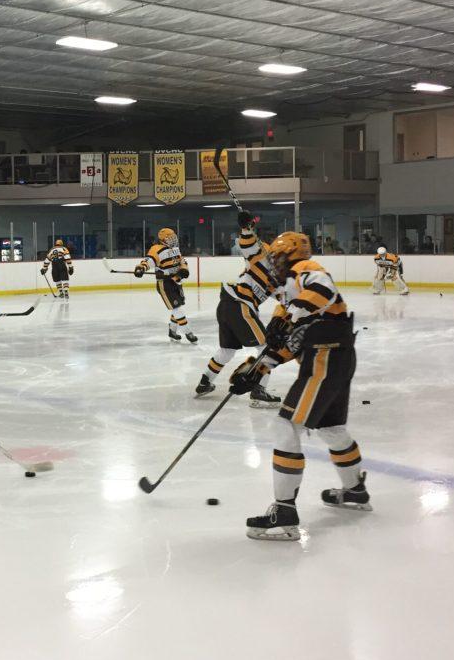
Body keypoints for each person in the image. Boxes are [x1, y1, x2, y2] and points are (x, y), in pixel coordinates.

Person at [225, 231, 369, 541]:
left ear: (290, 255)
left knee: (285, 427)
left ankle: (284, 513)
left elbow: (323, 291)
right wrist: (256, 371)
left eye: (276, 258)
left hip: (326, 357)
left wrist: (290, 315)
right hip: (333, 357)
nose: (273, 264)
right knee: (332, 429)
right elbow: (288, 343)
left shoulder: (305, 270)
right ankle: (355, 490)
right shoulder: (285, 296)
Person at [193, 212, 282, 408]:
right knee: (267, 348)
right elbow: (247, 246)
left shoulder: (278, 279)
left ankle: (205, 381)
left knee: (227, 350)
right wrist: (246, 228)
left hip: (226, 306)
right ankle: (258, 390)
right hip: (240, 305)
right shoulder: (262, 256)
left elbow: (286, 298)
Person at [134, 226, 197, 344]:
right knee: (177, 308)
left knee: (177, 307)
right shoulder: (156, 249)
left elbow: (182, 261)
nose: (173, 240)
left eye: (173, 237)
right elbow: (148, 261)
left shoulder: (176, 249)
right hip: (165, 284)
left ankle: (172, 331)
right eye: (170, 238)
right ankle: (188, 332)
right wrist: (140, 268)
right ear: (162, 239)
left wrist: (184, 270)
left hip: (176, 281)